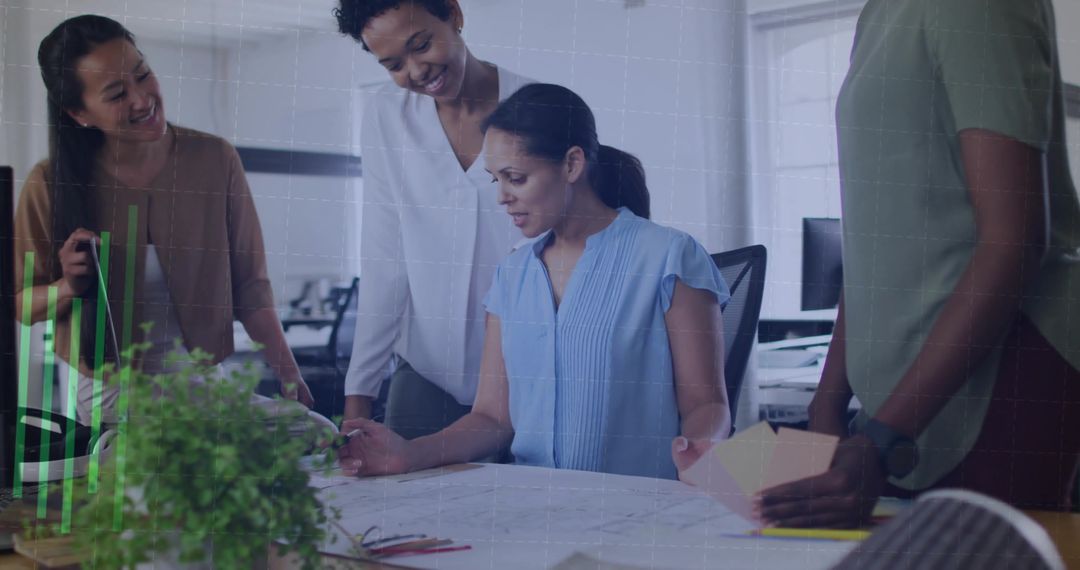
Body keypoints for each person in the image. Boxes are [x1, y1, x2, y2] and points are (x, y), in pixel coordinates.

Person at [758, 0, 1080, 527]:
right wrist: (825, 409)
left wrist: (881, 439)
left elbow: (1014, 240)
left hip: (1006, 365)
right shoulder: (879, 13)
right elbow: (872, 248)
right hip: (904, 390)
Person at [336, 83, 731, 480]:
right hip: (532, 508)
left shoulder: (669, 256)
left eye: (516, 178)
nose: (502, 197)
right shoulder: (512, 274)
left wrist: (700, 447)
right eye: (496, 180)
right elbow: (492, 418)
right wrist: (409, 453)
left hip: (633, 507)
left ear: (572, 164)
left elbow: (705, 404)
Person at [15, 15, 313, 425]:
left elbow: (251, 286)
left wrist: (289, 376)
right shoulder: (49, 182)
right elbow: (21, 304)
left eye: (143, 75)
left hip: (202, 381)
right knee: (194, 468)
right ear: (79, 113)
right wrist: (68, 286)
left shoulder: (214, 158)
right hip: (111, 392)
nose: (142, 99)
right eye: (118, 94)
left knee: (313, 432)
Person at [334, 0, 531, 438]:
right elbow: (385, 260)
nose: (416, 70)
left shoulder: (535, 106)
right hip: (426, 372)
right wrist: (358, 399)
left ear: (454, 15)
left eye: (421, 45)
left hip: (525, 373)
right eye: (393, 64)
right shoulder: (387, 116)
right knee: (395, 495)